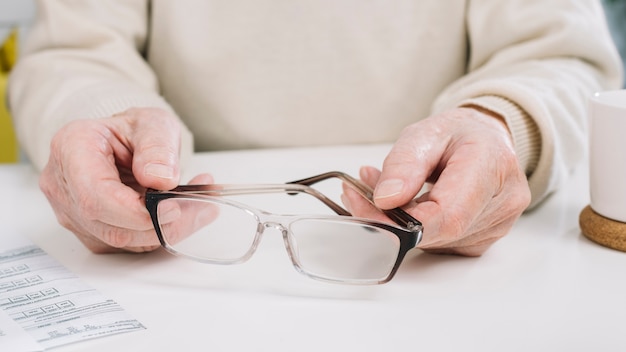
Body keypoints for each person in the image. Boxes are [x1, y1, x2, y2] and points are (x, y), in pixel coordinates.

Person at [8, 1, 623, 256]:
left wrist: (498, 124)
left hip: (440, 271)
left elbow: (564, 59)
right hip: (184, 249)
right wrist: (103, 119)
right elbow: (71, 54)